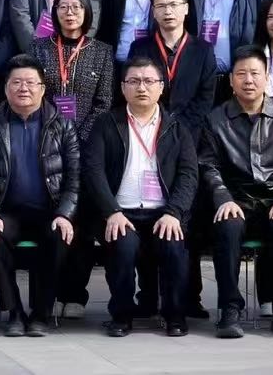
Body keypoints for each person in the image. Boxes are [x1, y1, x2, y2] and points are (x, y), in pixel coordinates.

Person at [200, 47, 273, 338]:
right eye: (241, 74)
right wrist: (223, 198)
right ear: (231, 81)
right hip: (236, 200)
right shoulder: (215, 119)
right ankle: (229, 309)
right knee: (227, 225)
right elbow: (208, 165)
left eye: (255, 73)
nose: (248, 80)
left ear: (267, 78)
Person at [83, 52, 196, 337]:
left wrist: (174, 213)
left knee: (173, 247)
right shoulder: (107, 124)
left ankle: (174, 315)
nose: (141, 87)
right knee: (122, 247)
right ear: (123, 88)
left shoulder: (177, 127)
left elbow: (188, 175)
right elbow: (93, 170)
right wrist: (111, 211)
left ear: (161, 86)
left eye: (148, 81)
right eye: (133, 81)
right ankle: (121, 315)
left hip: (163, 212)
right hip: (122, 212)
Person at [0, 56, 81, 337]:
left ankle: (42, 313)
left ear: (43, 89)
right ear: (5, 88)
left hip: (49, 211)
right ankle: (14, 312)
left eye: (31, 83)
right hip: (6, 211)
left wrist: (65, 214)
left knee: (60, 235)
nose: (24, 88)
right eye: (17, 82)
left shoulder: (62, 126)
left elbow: (74, 178)